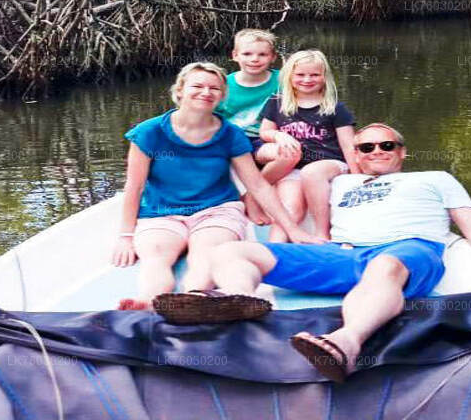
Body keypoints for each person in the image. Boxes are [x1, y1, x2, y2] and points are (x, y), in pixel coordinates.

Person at [159, 123, 471, 382]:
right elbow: (302, 177)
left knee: (384, 265)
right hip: (343, 253)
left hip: (409, 250)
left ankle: (346, 343)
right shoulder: (340, 180)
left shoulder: (434, 178)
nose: (377, 150)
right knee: (235, 250)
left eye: (387, 145)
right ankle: (237, 300)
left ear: (402, 152)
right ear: (355, 154)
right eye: (367, 146)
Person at [113, 62, 322, 312]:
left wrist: (292, 228)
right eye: (197, 86)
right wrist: (126, 236)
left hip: (216, 210)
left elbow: (257, 184)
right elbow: (134, 187)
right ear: (179, 91)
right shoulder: (150, 132)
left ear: (222, 95)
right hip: (161, 211)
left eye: (214, 88)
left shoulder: (231, 134)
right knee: (156, 257)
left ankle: (195, 300)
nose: (206, 92)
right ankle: (148, 301)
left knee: (204, 256)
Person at [256, 49, 358, 241]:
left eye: (314, 75)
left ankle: (322, 232)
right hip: (293, 169)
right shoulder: (277, 103)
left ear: (324, 77)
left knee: (312, 172)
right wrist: (278, 135)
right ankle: (274, 250)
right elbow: (265, 132)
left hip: (330, 164)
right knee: (290, 208)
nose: (307, 79)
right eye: (300, 74)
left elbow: (348, 145)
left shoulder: (335, 108)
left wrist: (357, 177)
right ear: (289, 76)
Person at [215, 29, 281, 225]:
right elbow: (212, 119)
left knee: (286, 154)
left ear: (272, 57)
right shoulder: (223, 85)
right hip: (232, 141)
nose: (254, 59)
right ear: (235, 55)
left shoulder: (283, 80)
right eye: (247, 54)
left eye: (262, 54)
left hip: (265, 138)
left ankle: (253, 196)